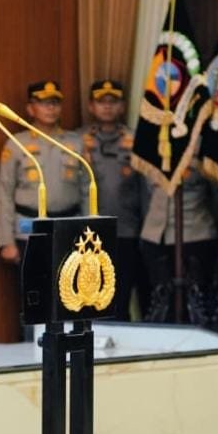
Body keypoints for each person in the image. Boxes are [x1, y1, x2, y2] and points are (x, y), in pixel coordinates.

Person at [0, 80, 88, 263]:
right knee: (33, 281)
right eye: (44, 103)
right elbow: (4, 193)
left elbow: (87, 190)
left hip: (69, 228)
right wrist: (6, 241)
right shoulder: (16, 144)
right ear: (30, 109)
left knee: (69, 281)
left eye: (55, 102)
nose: (51, 108)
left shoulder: (76, 142)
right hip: (28, 229)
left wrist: (90, 232)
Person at [80, 79, 148, 320]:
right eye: (101, 101)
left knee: (121, 293)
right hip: (88, 231)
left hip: (126, 228)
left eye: (113, 101)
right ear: (91, 106)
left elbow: (145, 188)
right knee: (90, 294)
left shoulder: (136, 140)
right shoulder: (78, 140)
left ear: (122, 106)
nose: (107, 106)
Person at [138, 151, 218, 324]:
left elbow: (217, 195)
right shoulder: (154, 145)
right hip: (155, 235)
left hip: (195, 233)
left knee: (196, 305)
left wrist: (207, 221)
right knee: (160, 303)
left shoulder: (202, 148)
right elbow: (146, 192)